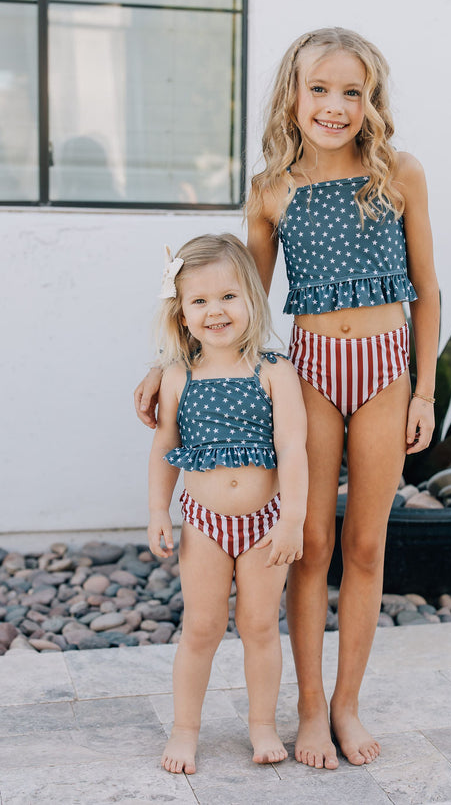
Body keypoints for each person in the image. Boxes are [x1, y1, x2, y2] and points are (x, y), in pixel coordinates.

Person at [136, 26, 439, 770]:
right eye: (319, 89)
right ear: (292, 96)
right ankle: (306, 711)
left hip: (385, 368)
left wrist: (425, 390)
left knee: (367, 545)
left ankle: (346, 704)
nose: (334, 105)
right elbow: (240, 305)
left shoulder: (399, 172)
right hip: (309, 373)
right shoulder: (272, 190)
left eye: (351, 91)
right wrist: (165, 360)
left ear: (370, 101)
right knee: (310, 545)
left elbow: (428, 291)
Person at [147, 233, 307, 774]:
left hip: (265, 525)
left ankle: (261, 724)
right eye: (200, 300)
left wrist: (292, 520)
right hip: (204, 524)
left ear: (252, 300)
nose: (215, 310)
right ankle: (185, 729)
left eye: (228, 297)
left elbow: (292, 448)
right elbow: (164, 448)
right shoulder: (178, 376)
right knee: (202, 627)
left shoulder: (273, 371)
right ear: (183, 312)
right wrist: (156, 513)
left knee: (260, 627)